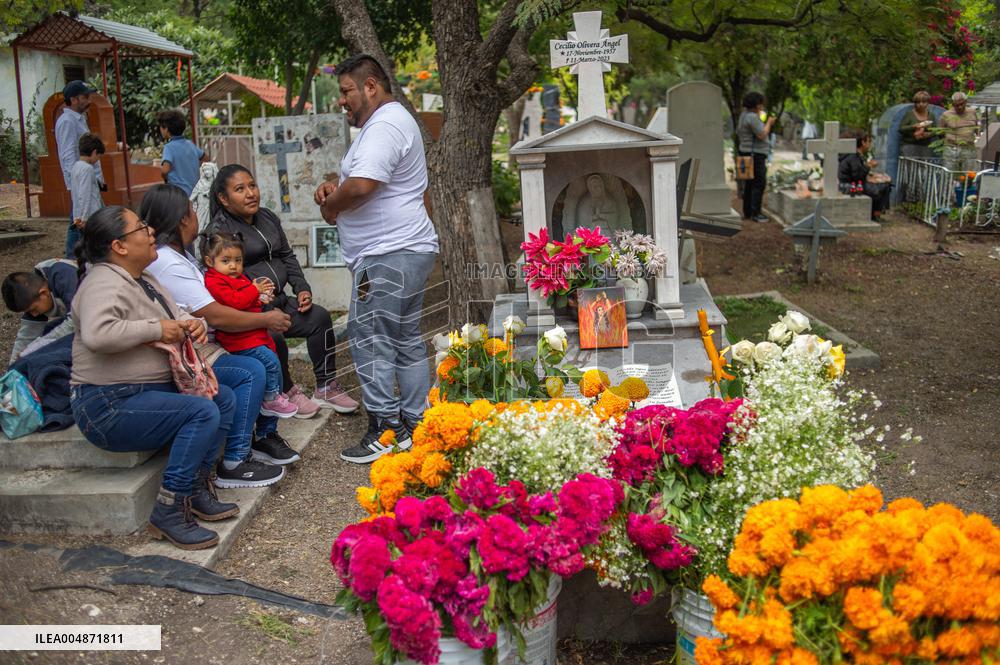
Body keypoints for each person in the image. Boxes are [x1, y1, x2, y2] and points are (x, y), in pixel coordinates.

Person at [69, 206, 240, 550]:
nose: (150, 233)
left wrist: (195, 324)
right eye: (141, 228)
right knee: (202, 411)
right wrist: (158, 328)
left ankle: (193, 486)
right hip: (107, 404)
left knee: (223, 398)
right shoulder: (101, 281)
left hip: (143, 392)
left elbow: (178, 315)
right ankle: (169, 509)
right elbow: (98, 334)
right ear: (119, 245)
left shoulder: (145, 279)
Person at [314, 54, 439, 464]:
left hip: (388, 254)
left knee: (369, 340)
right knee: (403, 339)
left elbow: (365, 184)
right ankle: (414, 424)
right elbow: (365, 180)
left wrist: (332, 206)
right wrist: (337, 187)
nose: (342, 101)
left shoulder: (384, 123)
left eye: (347, 91)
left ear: (371, 86)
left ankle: (385, 429)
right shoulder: (389, 123)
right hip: (406, 249)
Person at [139, 184, 305, 470]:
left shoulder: (181, 256)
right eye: (191, 211)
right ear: (181, 219)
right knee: (251, 370)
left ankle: (264, 433)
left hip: (206, 341)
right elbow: (216, 316)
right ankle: (237, 456)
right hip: (198, 348)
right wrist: (266, 317)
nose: (196, 216)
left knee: (272, 344)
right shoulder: (168, 263)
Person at [207, 166, 358, 417]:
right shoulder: (219, 232)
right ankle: (287, 390)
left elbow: (286, 255)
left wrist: (301, 288)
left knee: (319, 318)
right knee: (272, 335)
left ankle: (325, 386)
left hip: (278, 300)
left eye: (252, 186)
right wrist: (264, 308)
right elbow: (227, 279)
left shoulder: (266, 217)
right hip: (248, 310)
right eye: (239, 189)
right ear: (223, 199)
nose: (250, 194)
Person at [201, 232, 298, 419]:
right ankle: (270, 399)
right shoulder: (214, 281)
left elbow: (248, 299)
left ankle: (274, 395)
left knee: (274, 361)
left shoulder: (239, 278)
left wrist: (260, 297)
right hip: (239, 339)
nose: (233, 266)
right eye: (226, 260)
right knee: (269, 362)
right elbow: (235, 301)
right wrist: (254, 290)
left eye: (238, 260)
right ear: (209, 261)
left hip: (254, 335)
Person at [55, 80, 104, 258]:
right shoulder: (67, 121)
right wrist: (74, 181)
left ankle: (81, 255)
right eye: (85, 96)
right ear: (73, 99)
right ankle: (72, 256)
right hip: (81, 177)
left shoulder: (79, 118)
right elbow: (67, 154)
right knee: (79, 221)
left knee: (86, 218)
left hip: (88, 176)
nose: (88, 100)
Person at [3, 259, 78, 363]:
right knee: (45, 333)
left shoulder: (65, 276)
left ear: (43, 293)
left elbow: (77, 320)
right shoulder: (33, 294)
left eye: (33, 309)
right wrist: (12, 369)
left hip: (101, 314)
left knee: (55, 345)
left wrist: (38, 346)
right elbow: (27, 336)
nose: (33, 314)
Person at [737, 91, 774, 223]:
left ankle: (748, 212)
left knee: (749, 183)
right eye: (760, 103)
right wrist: (769, 122)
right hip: (755, 155)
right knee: (759, 183)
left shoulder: (743, 115)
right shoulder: (752, 117)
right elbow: (761, 134)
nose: (762, 106)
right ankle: (756, 213)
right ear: (757, 105)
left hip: (745, 153)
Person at [838, 131, 891, 221]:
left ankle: (876, 214)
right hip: (849, 185)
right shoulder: (853, 156)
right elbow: (857, 176)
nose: (870, 144)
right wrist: (869, 167)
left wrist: (874, 176)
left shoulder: (856, 155)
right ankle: (873, 215)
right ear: (863, 142)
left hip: (852, 182)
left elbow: (858, 171)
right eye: (869, 141)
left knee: (885, 183)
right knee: (881, 187)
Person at [157, 109, 206, 196]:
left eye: (161, 126)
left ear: (166, 129)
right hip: (195, 191)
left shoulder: (169, 147)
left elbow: (165, 170)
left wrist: (165, 178)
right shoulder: (190, 144)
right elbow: (206, 158)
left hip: (178, 194)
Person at [70, 133, 105, 233]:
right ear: (94, 152)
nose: (98, 159)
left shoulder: (75, 167)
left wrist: (77, 216)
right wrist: (85, 218)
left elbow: (75, 195)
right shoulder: (87, 169)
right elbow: (85, 195)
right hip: (90, 217)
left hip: (79, 217)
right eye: (98, 156)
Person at [939, 92, 980, 173]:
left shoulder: (973, 112)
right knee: (949, 173)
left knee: (970, 174)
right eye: (956, 105)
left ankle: (968, 185)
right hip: (952, 148)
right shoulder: (946, 114)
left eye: (962, 104)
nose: (960, 107)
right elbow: (940, 132)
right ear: (953, 104)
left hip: (969, 147)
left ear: (966, 102)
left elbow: (976, 129)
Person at [899, 91, 936, 160]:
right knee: (909, 168)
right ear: (915, 103)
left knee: (924, 168)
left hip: (925, 147)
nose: (921, 104)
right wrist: (914, 126)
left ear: (928, 103)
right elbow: (901, 129)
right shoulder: (909, 114)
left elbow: (935, 131)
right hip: (909, 146)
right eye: (918, 102)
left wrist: (928, 134)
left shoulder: (931, 115)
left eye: (923, 102)